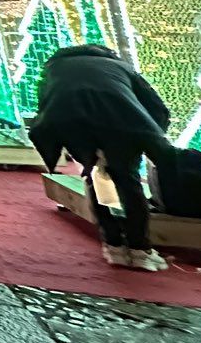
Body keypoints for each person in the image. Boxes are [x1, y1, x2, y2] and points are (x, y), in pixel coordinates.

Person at [29, 44, 176, 272]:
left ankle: (113, 246)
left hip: (74, 124)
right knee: (128, 182)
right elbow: (155, 105)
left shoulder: (53, 68)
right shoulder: (120, 66)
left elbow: (46, 104)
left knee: (96, 176)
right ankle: (140, 250)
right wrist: (154, 136)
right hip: (122, 123)